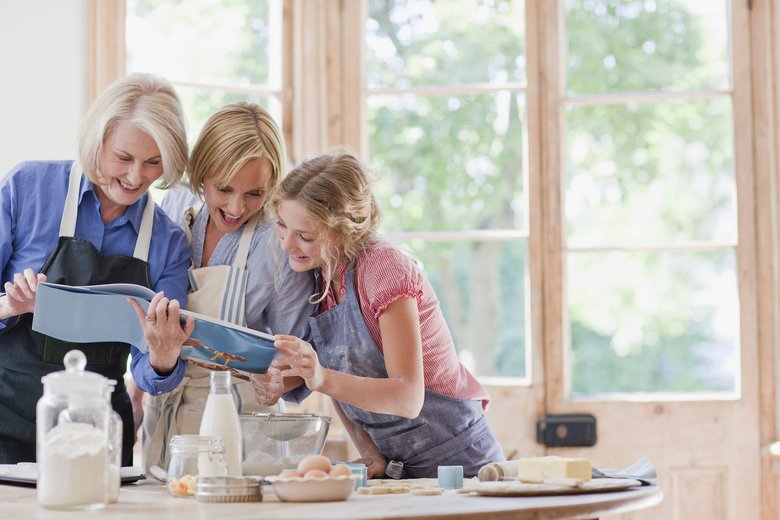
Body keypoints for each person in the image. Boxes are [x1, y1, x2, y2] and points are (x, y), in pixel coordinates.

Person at [256, 151, 505, 479]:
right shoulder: (320, 279)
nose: (288, 244)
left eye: (305, 236)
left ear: (345, 231)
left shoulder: (384, 269)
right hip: (399, 467)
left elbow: (407, 397)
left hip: (462, 464)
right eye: (282, 226)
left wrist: (321, 377)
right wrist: (369, 451)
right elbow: (338, 378)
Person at [0, 73, 194, 465]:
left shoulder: (168, 243)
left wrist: (163, 355)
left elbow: (152, 376)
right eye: (123, 158)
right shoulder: (28, 188)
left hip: (98, 435)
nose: (136, 177)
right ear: (97, 141)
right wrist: (10, 305)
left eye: (154, 162)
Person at [135, 102, 316, 473]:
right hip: (170, 414)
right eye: (224, 188)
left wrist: (278, 381)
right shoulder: (177, 205)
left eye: (255, 194)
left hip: (242, 428)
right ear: (201, 174)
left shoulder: (278, 244)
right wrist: (137, 396)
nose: (236, 206)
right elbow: (153, 324)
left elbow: (300, 356)